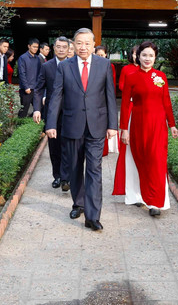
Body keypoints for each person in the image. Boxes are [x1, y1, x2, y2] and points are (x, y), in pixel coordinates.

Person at [45, 28, 118, 232]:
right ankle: (79, 204)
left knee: (94, 169)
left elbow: (110, 96)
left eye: (87, 43)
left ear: (93, 45)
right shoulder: (65, 67)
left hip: (97, 125)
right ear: (73, 45)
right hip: (71, 124)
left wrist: (113, 125)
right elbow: (56, 96)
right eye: (79, 43)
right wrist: (50, 124)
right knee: (75, 169)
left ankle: (93, 216)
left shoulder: (104, 65)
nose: (83, 47)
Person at [114, 41, 178, 217]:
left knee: (157, 161)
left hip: (158, 126)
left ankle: (156, 202)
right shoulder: (131, 77)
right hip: (138, 124)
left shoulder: (161, 77)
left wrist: (172, 124)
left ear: (155, 57)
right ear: (138, 56)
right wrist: (124, 129)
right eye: (144, 55)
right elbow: (126, 104)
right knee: (141, 160)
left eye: (151, 55)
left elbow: (166, 101)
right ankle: (142, 195)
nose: (147, 58)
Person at [33, 37, 71, 191]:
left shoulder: (73, 65)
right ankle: (57, 176)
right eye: (58, 47)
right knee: (54, 147)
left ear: (69, 49)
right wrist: (36, 108)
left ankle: (67, 178)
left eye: (64, 47)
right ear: (54, 48)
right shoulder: (46, 66)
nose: (61, 49)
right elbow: (38, 88)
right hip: (51, 113)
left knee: (68, 146)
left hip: (70, 113)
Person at [111, 45, 139, 190]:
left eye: (138, 53)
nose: (136, 56)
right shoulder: (127, 69)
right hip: (129, 104)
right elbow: (121, 85)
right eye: (134, 54)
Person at [95, 45, 117, 157]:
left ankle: (104, 150)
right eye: (98, 55)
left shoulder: (109, 66)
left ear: (106, 55)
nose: (100, 57)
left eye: (102, 55)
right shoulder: (92, 65)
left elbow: (111, 83)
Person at [16, 38, 42, 117]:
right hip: (26, 89)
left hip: (35, 88)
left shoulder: (37, 58)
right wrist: (26, 87)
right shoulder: (23, 58)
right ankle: (20, 125)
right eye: (34, 47)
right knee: (24, 110)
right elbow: (21, 73)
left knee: (38, 109)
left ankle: (31, 124)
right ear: (29, 46)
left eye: (37, 47)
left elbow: (39, 73)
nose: (35, 49)